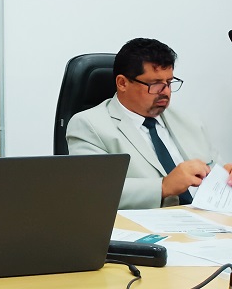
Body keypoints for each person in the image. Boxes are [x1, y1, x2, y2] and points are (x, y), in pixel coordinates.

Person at [67, 38, 232, 209]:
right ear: (122, 83)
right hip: (144, 223)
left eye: (169, 82)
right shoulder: (89, 126)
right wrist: (163, 187)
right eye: (155, 84)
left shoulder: (189, 120)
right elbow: (94, 191)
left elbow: (217, 168)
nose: (166, 92)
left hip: (207, 218)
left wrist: (226, 175)